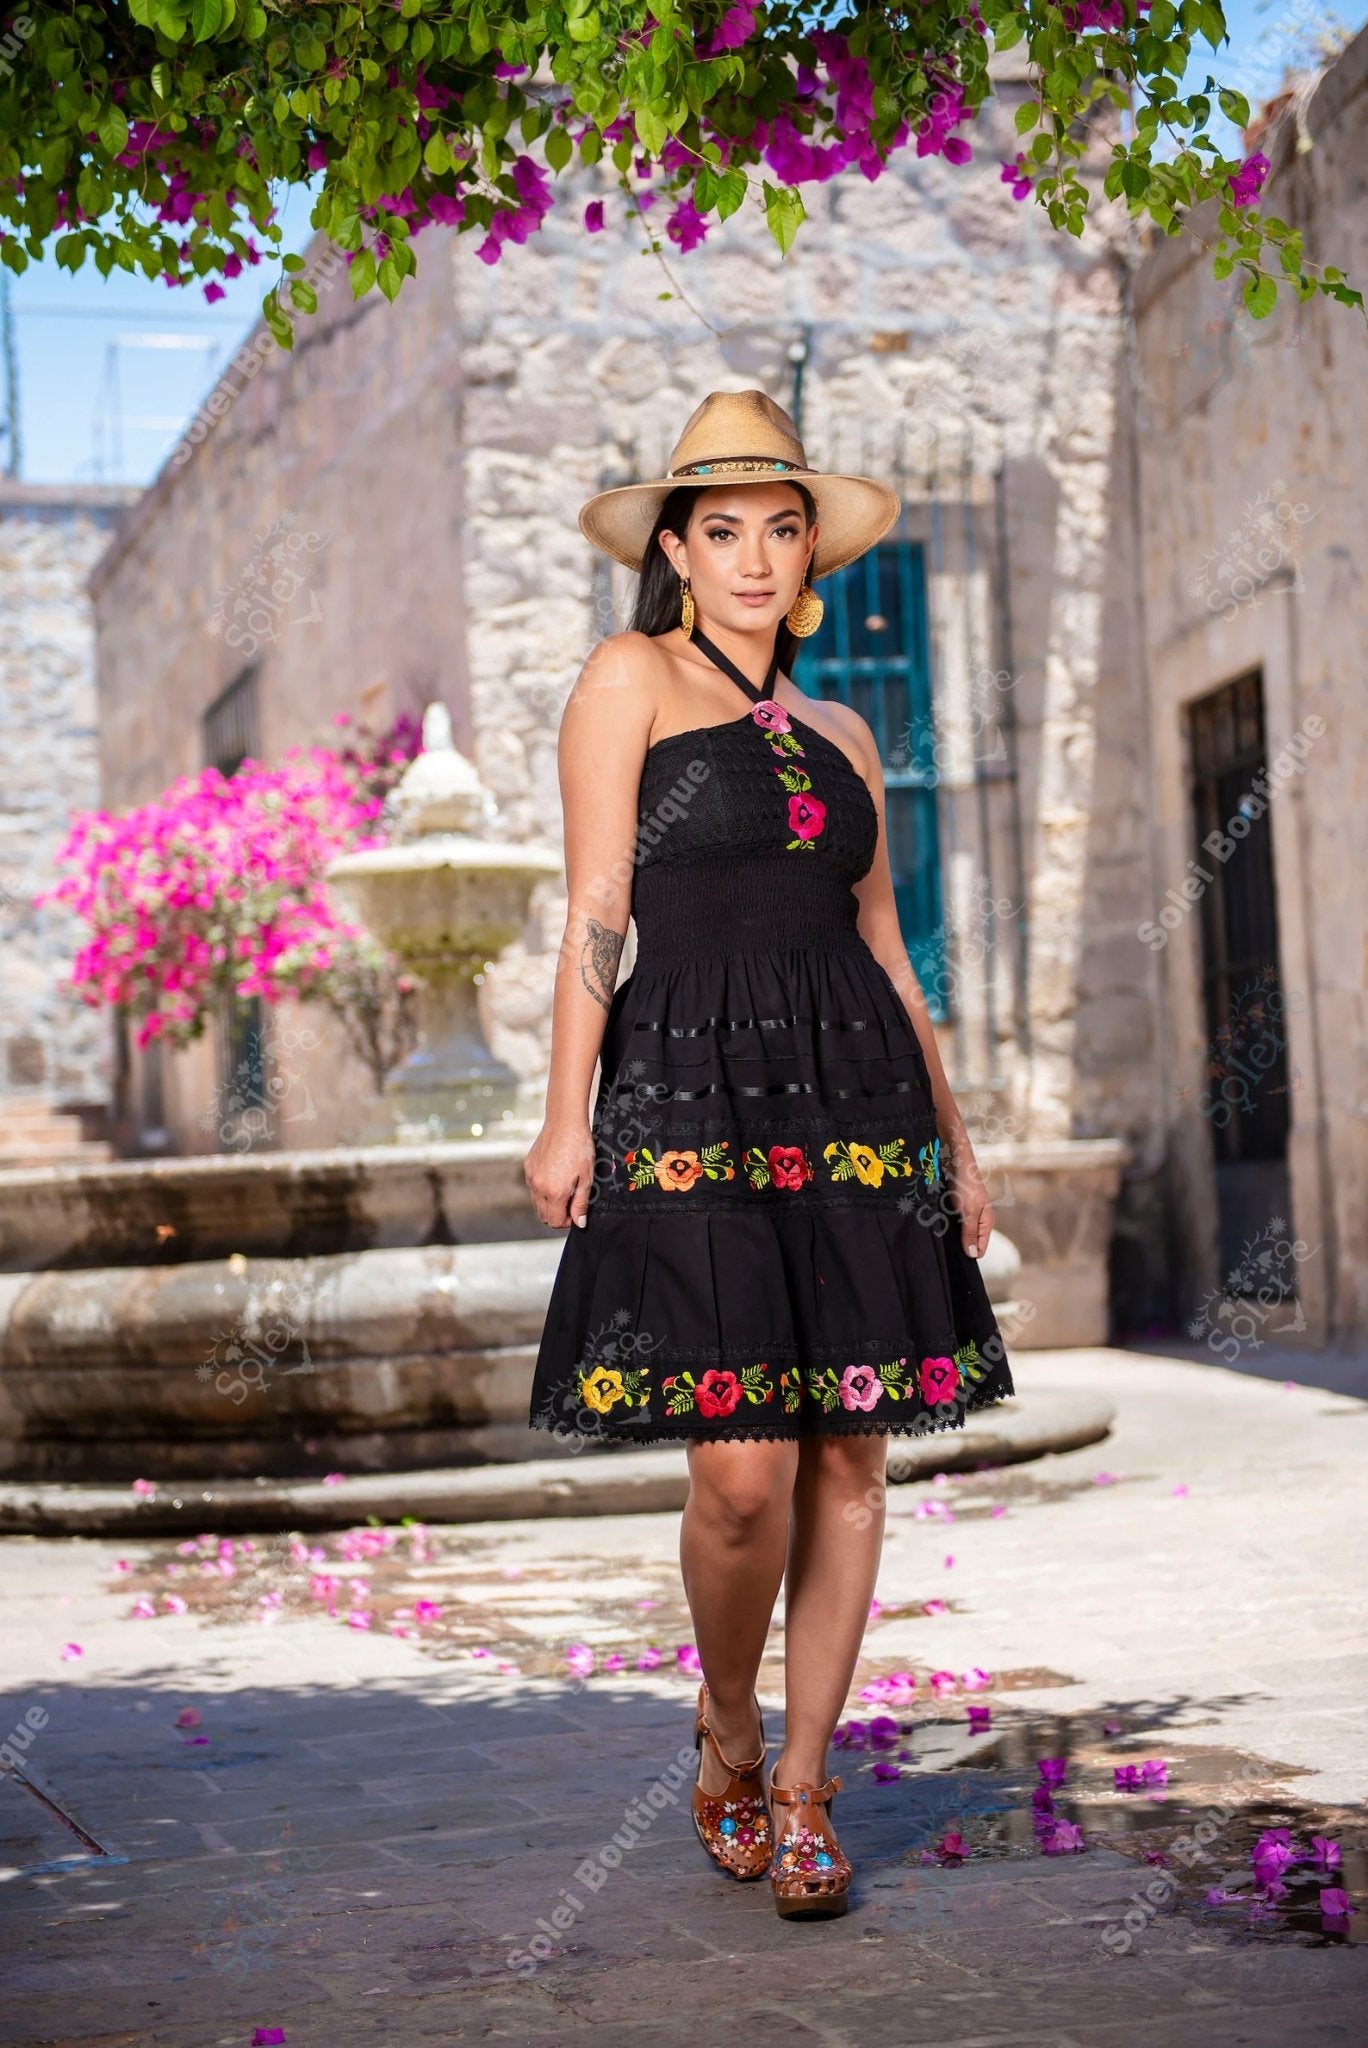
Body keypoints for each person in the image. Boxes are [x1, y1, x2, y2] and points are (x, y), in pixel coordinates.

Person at [524, 388, 1013, 1919]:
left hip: (857, 1100)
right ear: (675, 551)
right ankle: (728, 1724)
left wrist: (956, 1142)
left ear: (811, 554)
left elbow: (890, 951)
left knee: (850, 1450)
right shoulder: (627, 679)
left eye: (780, 529)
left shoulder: (847, 732)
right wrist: (565, 1107)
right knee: (741, 1473)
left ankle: (805, 1782)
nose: (752, 556)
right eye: (721, 530)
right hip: (687, 1093)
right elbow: (598, 911)